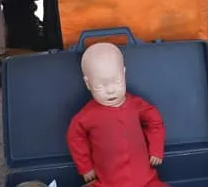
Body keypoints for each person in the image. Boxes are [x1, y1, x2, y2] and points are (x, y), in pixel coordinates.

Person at [66, 42, 167, 187]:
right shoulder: (87, 115)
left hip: (146, 181)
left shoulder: (136, 105)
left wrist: (156, 148)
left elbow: (154, 121)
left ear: (124, 73)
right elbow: (75, 137)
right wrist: (86, 167)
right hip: (108, 183)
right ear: (88, 83)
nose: (110, 90)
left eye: (117, 81)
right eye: (100, 86)